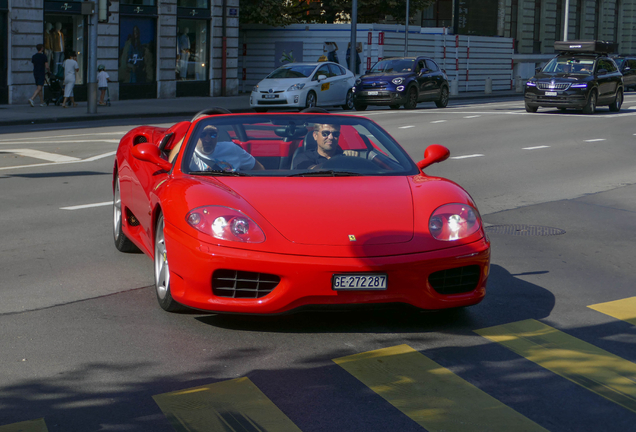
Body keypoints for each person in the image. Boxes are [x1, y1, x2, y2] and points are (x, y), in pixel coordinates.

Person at [189, 125, 265, 172]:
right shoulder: (189, 155)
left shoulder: (232, 148)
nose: (207, 139)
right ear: (195, 136)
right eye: (202, 134)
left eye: (213, 134)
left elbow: (259, 169)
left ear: (218, 135)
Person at [292, 124, 359, 169]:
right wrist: (341, 161)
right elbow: (314, 172)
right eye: (325, 133)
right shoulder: (302, 157)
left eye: (335, 134)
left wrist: (353, 159)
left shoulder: (346, 156)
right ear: (315, 135)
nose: (331, 137)